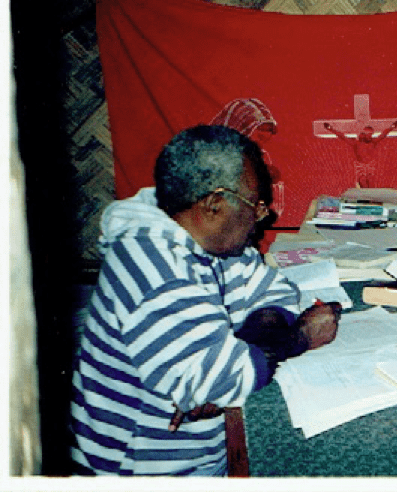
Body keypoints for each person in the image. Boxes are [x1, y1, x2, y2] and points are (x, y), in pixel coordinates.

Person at [69, 125, 341, 475]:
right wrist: (302, 335)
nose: (264, 216)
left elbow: (274, 290)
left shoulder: (207, 237)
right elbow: (226, 379)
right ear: (214, 204)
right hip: (142, 471)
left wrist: (233, 354)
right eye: (255, 205)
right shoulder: (154, 270)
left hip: (207, 451)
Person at [324, 120, 397, 188]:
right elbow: (342, 136)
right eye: (369, 134)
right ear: (364, 135)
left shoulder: (373, 142)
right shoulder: (356, 144)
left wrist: (392, 127)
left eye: (371, 134)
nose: (370, 136)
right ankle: (366, 197)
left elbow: (383, 134)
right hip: (360, 165)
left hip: (370, 164)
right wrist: (330, 129)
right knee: (363, 180)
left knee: (370, 179)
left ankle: (373, 196)